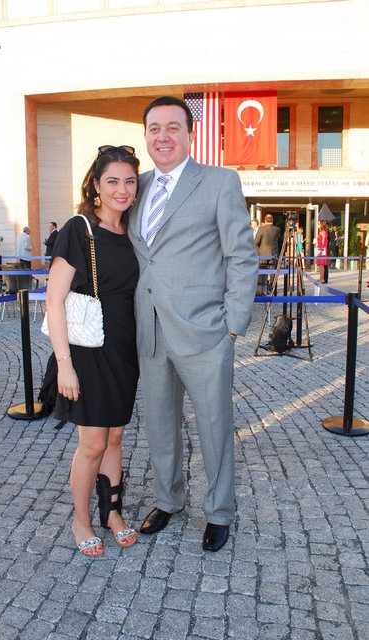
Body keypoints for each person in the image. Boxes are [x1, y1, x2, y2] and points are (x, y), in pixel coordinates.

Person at [127, 96, 258, 553]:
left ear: (189, 133)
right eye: (154, 128)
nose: (162, 136)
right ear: (146, 136)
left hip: (206, 332)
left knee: (214, 426)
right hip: (151, 330)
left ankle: (220, 511)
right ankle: (168, 499)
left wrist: (232, 325)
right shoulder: (136, 186)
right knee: (160, 424)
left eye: (172, 127)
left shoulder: (220, 181)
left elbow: (241, 256)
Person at [45, 145, 140, 557]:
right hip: (88, 352)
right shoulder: (79, 229)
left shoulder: (134, 230)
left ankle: (112, 513)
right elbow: (54, 300)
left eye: (129, 181)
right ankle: (80, 520)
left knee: (115, 437)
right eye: (112, 181)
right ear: (96, 185)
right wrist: (64, 365)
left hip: (125, 350)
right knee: (93, 445)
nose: (122, 189)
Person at [255, 213, 281, 292]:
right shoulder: (277, 229)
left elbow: (256, 241)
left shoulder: (261, 229)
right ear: (272, 220)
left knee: (262, 271)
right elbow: (280, 241)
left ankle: (262, 288)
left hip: (263, 253)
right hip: (274, 253)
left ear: (265, 220)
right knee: (273, 271)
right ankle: (272, 288)